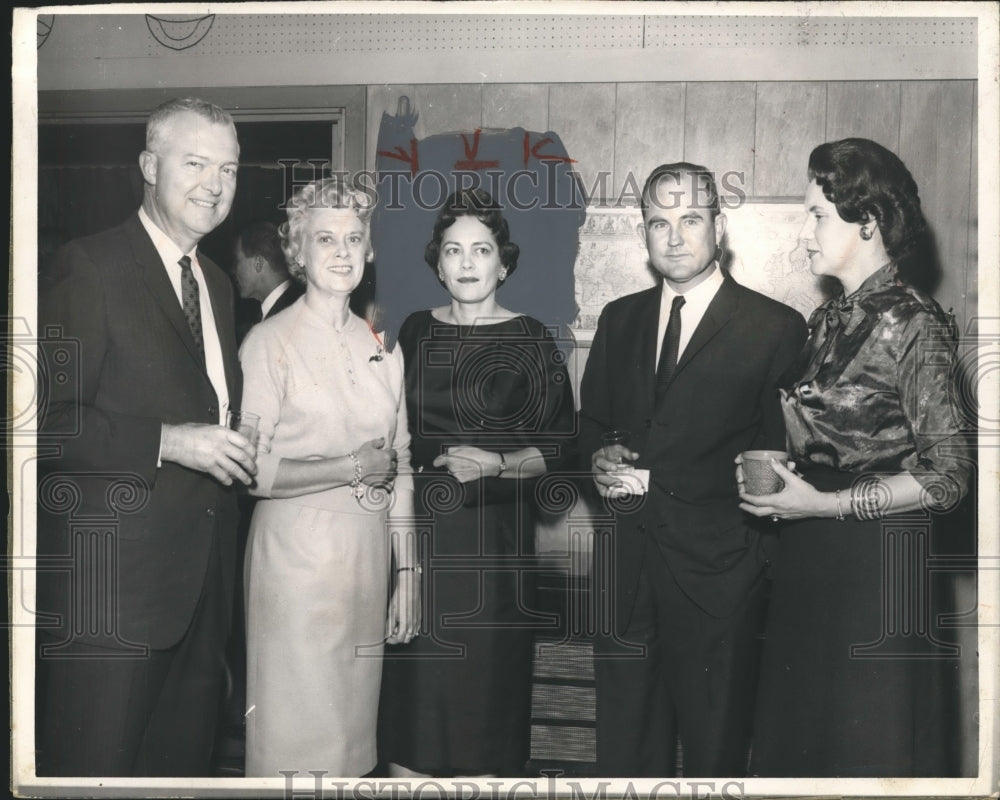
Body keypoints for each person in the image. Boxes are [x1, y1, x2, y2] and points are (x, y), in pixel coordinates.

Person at [738, 138, 973, 777]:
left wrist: (825, 501)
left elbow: (950, 478)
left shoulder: (916, 325)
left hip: (876, 569)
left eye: (817, 214)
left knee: (866, 750)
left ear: (866, 221)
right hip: (813, 560)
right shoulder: (827, 319)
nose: (806, 233)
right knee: (803, 747)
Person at [36, 97, 256, 776]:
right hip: (115, 605)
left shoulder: (216, 284)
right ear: (148, 165)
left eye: (229, 167)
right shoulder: (90, 266)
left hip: (200, 601)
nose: (215, 184)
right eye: (195, 163)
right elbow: (46, 422)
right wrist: (166, 440)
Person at [579, 163, 808, 777]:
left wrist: (750, 568)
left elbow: (784, 459)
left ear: (719, 226)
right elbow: (590, 427)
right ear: (644, 233)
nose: (674, 236)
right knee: (624, 758)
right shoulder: (619, 318)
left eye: (690, 219)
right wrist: (596, 457)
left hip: (720, 580)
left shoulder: (775, 327)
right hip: (624, 574)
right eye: (659, 222)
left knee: (715, 755)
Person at [378, 188, 576, 777]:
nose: (467, 263)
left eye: (481, 250)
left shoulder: (532, 338)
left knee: (482, 726)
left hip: (495, 552)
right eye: (453, 250)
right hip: (416, 545)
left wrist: (499, 464)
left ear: (504, 263)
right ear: (437, 264)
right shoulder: (412, 332)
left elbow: (564, 447)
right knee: (411, 722)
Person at [238, 177, 418, 778]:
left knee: (351, 748)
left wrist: (408, 574)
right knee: (294, 743)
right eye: (324, 239)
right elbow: (252, 470)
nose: (341, 251)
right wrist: (349, 467)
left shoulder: (383, 347)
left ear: (369, 251)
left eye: (353, 238)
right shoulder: (268, 342)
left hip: (364, 567)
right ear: (297, 252)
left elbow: (403, 463)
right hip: (294, 568)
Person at [232, 219, 303, 340]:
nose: (233, 271)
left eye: (238, 261)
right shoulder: (280, 309)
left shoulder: (290, 317)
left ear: (258, 263)